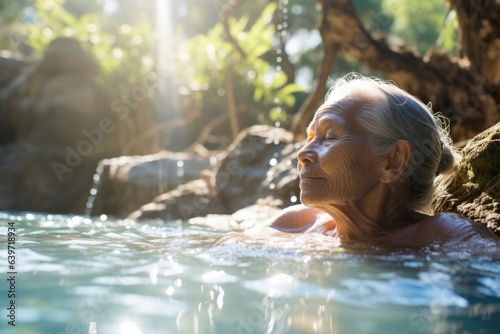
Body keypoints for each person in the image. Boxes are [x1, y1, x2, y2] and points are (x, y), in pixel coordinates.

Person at [247, 73, 498, 245]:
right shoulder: (294, 224)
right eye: (310, 137)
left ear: (393, 161)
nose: (302, 154)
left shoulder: (446, 239)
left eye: (329, 136)